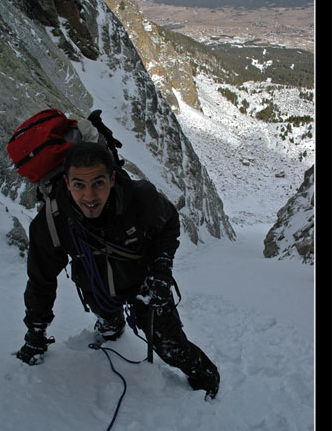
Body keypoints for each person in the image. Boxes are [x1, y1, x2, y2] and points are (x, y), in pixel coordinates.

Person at [16, 142, 220, 399]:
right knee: (107, 316)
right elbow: (40, 280)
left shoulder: (140, 198)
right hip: (96, 286)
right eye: (79, 185)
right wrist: (35, 333)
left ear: (112, 179)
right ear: (67, 184)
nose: (89, 196)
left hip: (146, 282)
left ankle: (208, 383)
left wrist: (161, 269)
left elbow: (169, 223)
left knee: (170, 346)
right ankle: (112, 326)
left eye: (98, 183)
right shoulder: (52, 223)